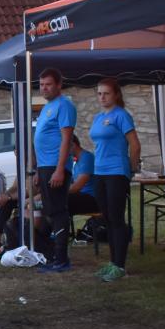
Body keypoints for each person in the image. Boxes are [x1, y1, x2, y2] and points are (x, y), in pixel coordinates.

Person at [88, 78, 141, 283]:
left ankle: (120, 266)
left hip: (117, 171)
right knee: (107, 218)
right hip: (99, 172)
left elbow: (135, 145)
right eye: (99, 93)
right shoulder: (98, 117)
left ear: (116, 95)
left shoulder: (121, 115)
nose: (102, 97)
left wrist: (132, 168)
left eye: (106, 93)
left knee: (117, 219)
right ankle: (113, 263)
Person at [32, 68, 77, 272]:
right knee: (49, 211)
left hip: (55, 165)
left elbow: (66, 139)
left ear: (59, 85)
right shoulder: (46, 107)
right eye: (41, 84)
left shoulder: (64, 105)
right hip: (45, 166)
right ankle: (53, 254)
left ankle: (61, 259)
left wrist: (60, 169)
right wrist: (37, 170)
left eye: (48, 84)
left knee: (58, 211)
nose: (44, 88)